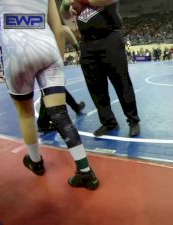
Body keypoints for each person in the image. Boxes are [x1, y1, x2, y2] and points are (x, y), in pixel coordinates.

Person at [0, 0, 99, 190]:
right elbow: (58, 27)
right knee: (60, 114)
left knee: (26, 114)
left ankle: (36, 161)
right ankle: (86, 171)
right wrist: (57, 60)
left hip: (15, 50)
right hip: (47, 48)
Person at [60, 0, 141, 137]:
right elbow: (65, 16)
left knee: (121, 82)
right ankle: (109, 122)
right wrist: (65, 4)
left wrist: (78, 1)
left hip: (109, 38)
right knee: (95, 87)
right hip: (87, 43)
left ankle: (133, 121)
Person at [37, 23, 86, 133]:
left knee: (57, 88)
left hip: (42, 61)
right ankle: (42, 123)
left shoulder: (41, 31)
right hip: (51, 63)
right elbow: (66, 30)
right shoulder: (58, 28)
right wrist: (77, 48)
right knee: (48, 91)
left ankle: (76, 107)